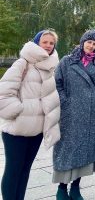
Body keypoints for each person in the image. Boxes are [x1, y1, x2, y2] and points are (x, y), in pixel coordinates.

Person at [0, 30, 60, 200]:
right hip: (17, 129)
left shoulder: (50, 67)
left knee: (25, 169)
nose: (48, 46)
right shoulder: (22, 63)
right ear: (36, 43)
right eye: (44, 42)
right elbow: (3, 93)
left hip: (37, 130)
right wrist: (18, 111)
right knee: (13, 169)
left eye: (51, 43)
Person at [53, 30, 95, 200]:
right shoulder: (67, 61)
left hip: (90, 113)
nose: (91, 46)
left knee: (85, 151)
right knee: (67, 150)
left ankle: (75, 187)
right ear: (82, 42)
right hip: (71, 113)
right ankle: (62, 188)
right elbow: (57, 83)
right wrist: (65, 101)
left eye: (94, 44)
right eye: (89, 42)